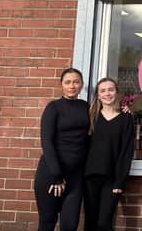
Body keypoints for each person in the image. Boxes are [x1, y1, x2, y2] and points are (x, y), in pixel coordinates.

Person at [34, 67, 90, 231]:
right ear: (62, 85)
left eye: (76, 82)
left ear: (81, 85)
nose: (72, 86)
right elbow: (47, 142)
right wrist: (57, 176)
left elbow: (106, 118)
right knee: (48, 222)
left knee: (70, 225)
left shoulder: (86, 107)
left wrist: (124, 111)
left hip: (75, 178)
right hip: (52, 175)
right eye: (68, 82)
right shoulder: (53, 108)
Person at [83, 77, 135, 231]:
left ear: (117, 93)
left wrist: (120, 181)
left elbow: (126, 152)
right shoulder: (91, 116)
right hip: (89, 177)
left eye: (111, 90)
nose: (107, 93)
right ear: (98, 95)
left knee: (104, 223)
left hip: (111, 180)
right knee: (90, 223)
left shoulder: (126, 118)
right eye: (103, 91)